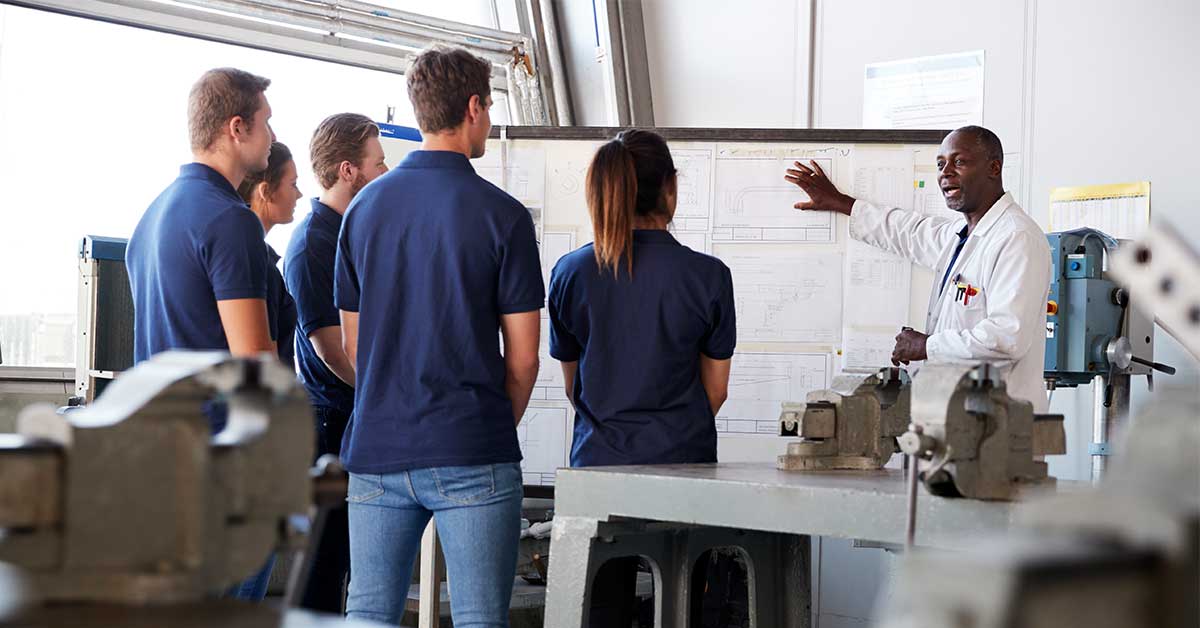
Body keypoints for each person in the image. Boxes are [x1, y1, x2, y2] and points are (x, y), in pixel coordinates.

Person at [334, 47, 543, 626]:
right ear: (473, 107)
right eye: (490, 106)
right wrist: (491, 425)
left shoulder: (362, 211)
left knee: (369, 613)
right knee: (480, 619)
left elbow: (354, 347)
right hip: (472, 445)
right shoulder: (503, 216)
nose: (491, 120)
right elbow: (524, 359)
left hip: (377, 447)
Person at [546, 129, 736, 626]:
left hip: (599, 469)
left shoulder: (571, 272)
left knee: (602, 604)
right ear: (669, 189)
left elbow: (574, 385)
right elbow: (715, 390)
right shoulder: (708, 276)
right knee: (685, 602)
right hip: (686, 466)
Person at [125, 67, 278, 600]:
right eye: (266, 123)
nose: (273, 138)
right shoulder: (229, 220)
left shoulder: (150, 219)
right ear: (236, 128)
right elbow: (254, 360)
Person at [785, 125, 1051, 410]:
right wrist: (841, 203)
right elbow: (907, 231)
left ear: (993, 167)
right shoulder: (963, 235)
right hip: (963, 422)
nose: (945, 172)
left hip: (1003, 428)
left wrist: (927, 346)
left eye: (959, 162)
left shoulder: (1016, 238)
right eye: (940, 164)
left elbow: (1007, 338)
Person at [283, 113, 388, 612]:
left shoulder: (354, 231)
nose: (386, 171)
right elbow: (329, 345)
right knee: (325, 570)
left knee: (351, 563)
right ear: (349, 170)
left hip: (358, 415)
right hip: (333, 423)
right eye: (379, 161)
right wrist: (381, 395)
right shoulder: (312, 244)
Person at [238, 141, 300, 367]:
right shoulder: (259, 264)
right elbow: (265, 363)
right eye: (293, 184)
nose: (300, 194)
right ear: (265, 191)